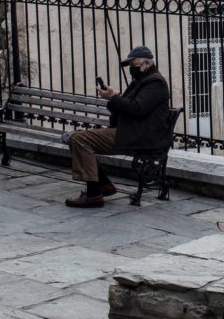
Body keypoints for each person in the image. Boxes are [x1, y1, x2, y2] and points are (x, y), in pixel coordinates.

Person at [65, 45, 171, 208]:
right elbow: (125, 106)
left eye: (133, 64)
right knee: (78, 136)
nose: (131, 69)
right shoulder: (141, 81)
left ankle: (94, 195)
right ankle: (104, 185)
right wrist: (113, 97)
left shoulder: (155, 82)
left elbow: (137, 109)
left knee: (80, 139)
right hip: (130, 132)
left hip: (141, 137)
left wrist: (114, 97)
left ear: (146, 64)